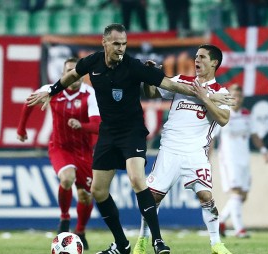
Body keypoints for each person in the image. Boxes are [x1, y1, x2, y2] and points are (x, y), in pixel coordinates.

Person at [27, 23, 203, 254]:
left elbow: (169, 83)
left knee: (136, 179)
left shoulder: (134, 66)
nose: (121, 48)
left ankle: (158, 242)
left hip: (132, 131)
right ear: (105, 42)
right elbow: (72, 74)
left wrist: (200, 93)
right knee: (98, 191)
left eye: (124, 44)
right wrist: (52, 91)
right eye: (116, 43)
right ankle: (122, 244)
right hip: (108, 132)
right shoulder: (93, 62)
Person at [133, 44, 234, 254]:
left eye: (203, 57)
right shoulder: (181, 81)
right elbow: (151, 93)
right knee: (152, 199)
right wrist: (149, 77)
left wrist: (206, 98)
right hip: (170, 148)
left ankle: (216, 244)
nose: (197, 60)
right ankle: (142, 241)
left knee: (206, 196)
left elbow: (223, 119)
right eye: (196, 56)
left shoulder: (221, 93)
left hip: (196, 152)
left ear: (214, 62)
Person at [17, 57, 101, 250]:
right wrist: (22, 128)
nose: (75, 75)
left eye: (78, 72)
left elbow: (98, 126)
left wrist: (82, 125)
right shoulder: (52, 90)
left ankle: (80, 231)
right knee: (67, 178)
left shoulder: (90, 94)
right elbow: (29, 102)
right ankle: (64, 219)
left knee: (85, 196)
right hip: (60, 147)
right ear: (63, 75)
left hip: (84, 151)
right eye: (70, 71)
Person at [216, 84, 268, 238]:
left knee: (243, 196)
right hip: (229, 159)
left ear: (242, 98)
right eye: (234, 96)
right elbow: (212, 137)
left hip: (244, 159)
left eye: (239, 96)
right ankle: (239, 230)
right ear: (229, 97)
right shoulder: (223, 113)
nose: (237, 99)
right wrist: (206, 154)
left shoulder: (247, 114)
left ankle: (220, 221)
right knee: (236, 192)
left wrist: (264, 150)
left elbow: (254, 134)